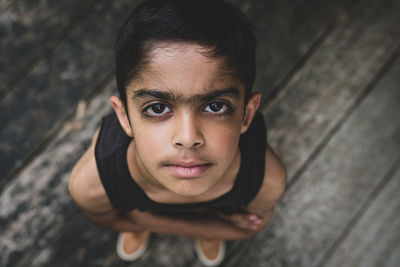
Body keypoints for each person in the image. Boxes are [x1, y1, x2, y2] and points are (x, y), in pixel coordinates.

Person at [68, 0, 286, 265]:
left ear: (247, 114)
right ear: (124, 116)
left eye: (215, 106)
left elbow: (250, 228)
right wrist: (210, 226)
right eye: (158, 108)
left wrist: (138, 216)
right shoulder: (92, 184)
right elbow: (105, 219)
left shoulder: (266, 181)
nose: (187, 137)